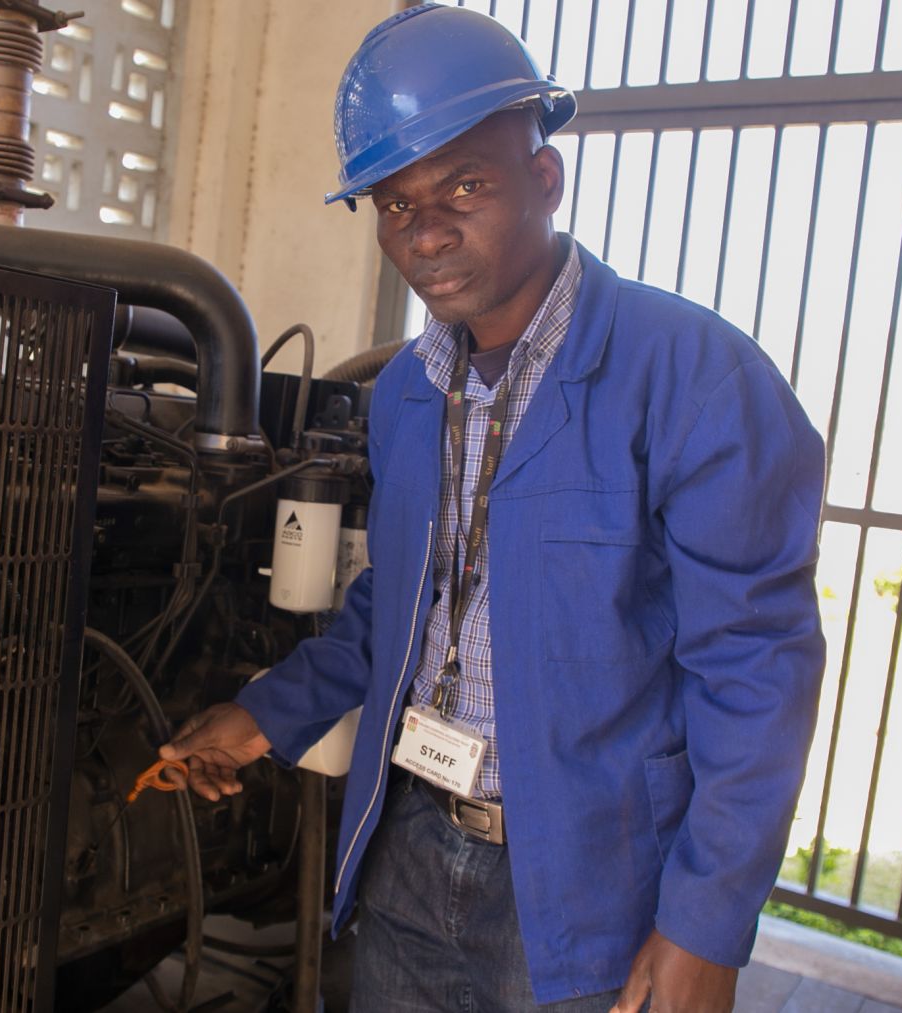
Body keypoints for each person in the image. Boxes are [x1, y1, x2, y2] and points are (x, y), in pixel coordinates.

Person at [160, 6, 826, 1010]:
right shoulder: (407, 396)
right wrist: (263, 715)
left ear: (544, 179)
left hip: (589, 889)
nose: (426, 230)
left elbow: (756, 673)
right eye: (394, 203)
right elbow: (403, 605)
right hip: (411, 852)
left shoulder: (693, 378)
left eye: (465, 185)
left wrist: (704, 924)